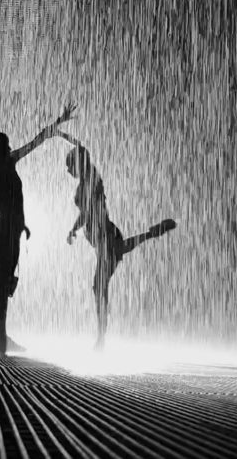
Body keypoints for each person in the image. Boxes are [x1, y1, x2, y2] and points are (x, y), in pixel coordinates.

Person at [0, 103, 77, 355]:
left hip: (7, 230)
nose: (10, 147)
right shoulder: (1, 167)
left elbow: (36, 142)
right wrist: (16, 219)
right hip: (7, 232)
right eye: (5, 144)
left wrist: (57, 123)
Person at [58, 131, 176, 349]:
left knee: (99, 285)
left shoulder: (92, 178)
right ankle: (152, 233)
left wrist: (60, 133)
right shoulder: (86, 184)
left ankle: (101, 337)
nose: (67, 170)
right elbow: (85, 213)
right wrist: (73, 229)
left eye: (69, 164)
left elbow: (84, 151)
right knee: (103, 279)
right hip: (104, 236)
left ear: (79, 163)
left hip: (104, 236)